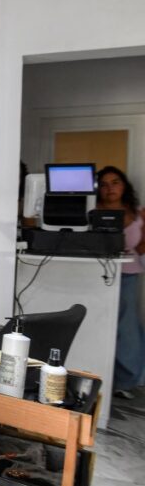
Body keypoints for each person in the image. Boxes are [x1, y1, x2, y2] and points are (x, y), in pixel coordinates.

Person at [97, 165, 145, 399]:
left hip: (128, 275)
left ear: (124, 185)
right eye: (104, 184)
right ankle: (99, 375)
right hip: (98, 275)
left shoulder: (137, 213)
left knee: (127, 328)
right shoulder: (92, 211)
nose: (110, 188)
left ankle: (126, 381)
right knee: (100, 325)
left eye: (115, 182)